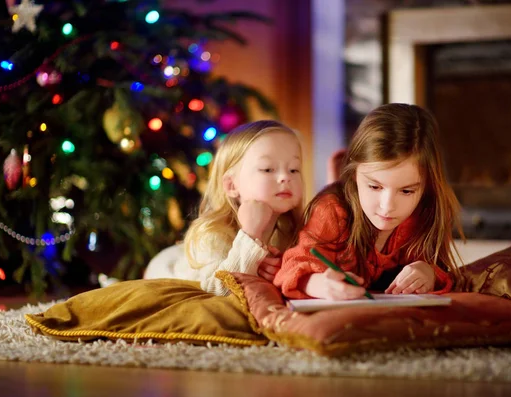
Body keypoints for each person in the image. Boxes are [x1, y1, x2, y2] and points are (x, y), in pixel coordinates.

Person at [274, 103, 463, 300]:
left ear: (426, 186)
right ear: (354, 174)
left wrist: (428, 273)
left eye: (406, 191)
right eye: (375, 187)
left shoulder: (427, 212)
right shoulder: (332, 209)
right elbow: (293, 266)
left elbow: (443, 271)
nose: (387, 206)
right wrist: (318, 284)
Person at [143, 120, 305, 296]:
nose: (284, 177)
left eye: (294, 170)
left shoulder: (291, 230)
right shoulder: (212, 234)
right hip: (167, 270)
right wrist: (250, 236)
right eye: (267, 169)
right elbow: (215, 293)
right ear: (232, 186)